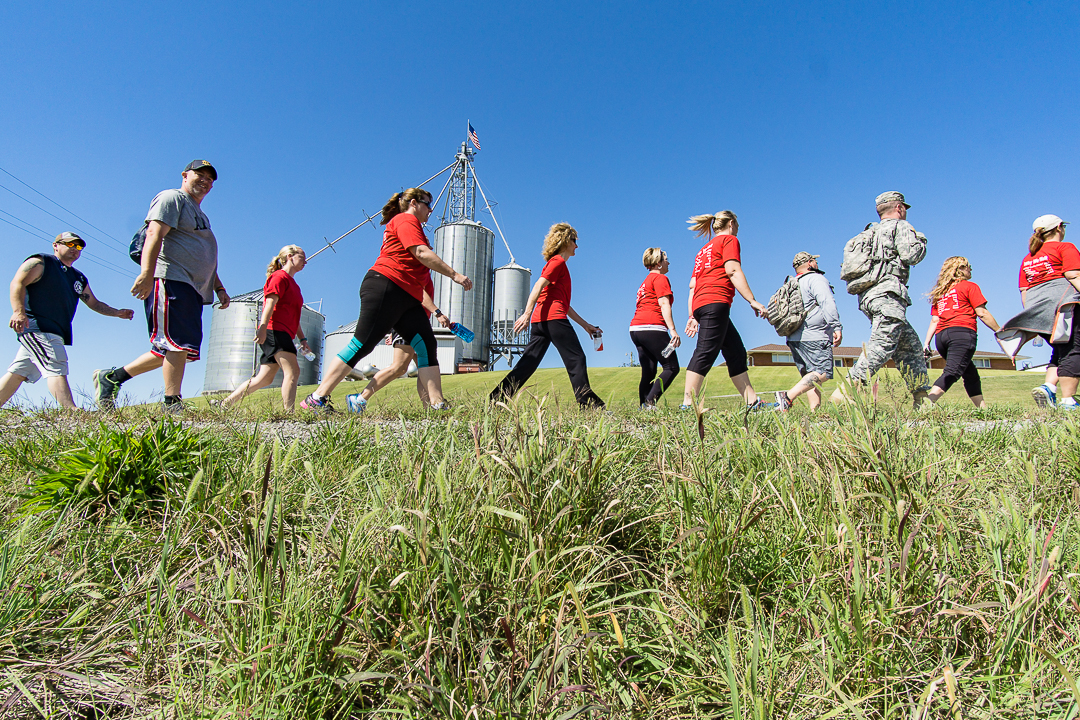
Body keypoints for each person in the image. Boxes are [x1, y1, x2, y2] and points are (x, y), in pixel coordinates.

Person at [301, 188, 471, 412]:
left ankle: (438, 405)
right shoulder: (404, 220)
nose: (431, 209)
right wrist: (455, 275)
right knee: (362, 344)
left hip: (407, 297)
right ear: (413, 203)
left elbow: (417, 281)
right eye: (428, 203)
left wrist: (437, 312)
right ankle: (317, 398)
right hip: (385, 286)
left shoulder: (416, 227)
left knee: (427, 345)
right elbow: (420, 252)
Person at [94, 160, 230, 412]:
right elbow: (155, 233)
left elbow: (205, 256)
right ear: (184, 175)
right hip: (171, 278)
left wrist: (219, 287)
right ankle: (172, 403)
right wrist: (147, 273)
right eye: (199, 175)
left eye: (210, 179)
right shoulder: (171, 198)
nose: (205, 181)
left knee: (171, 349)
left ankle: (112, 378)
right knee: (176, 344)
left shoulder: (201, 215)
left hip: (194, 288)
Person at [1, 233, 134, 409]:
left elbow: (93, 302)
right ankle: (71, 411)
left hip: (56, 329)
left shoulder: (78, 277)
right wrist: (18, 312)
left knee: (18, 372)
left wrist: (117, 313)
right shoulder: (41, 262)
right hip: (37, 326)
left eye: (79, 246)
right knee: (56, 363)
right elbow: (17, 283)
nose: (75, 249)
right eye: (70, 244)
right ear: (56, 245)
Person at [830, 191, 931, 408]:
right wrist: (920, 239)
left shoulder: (868, 233)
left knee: (910, 346)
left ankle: (922, 399)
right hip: (888, 294)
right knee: (882, 343)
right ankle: (846, 391)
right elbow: (912, 256)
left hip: (868, 295)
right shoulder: (900, 226)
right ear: (900, 208)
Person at [490, 223, 605, 408]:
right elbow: (537, 286)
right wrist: (526, 314)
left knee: (528, 364)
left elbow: (564, 304)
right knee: (576, 359)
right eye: (574, 241)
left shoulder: (558, 264)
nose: (577, 245)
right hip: (553, 319)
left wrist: (586, 325)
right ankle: (589, 404)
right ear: (566, 241)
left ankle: (496, 399)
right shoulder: (558, 262)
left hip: (541, 321)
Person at [680, 211, 772, 412]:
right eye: (737, 225)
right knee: (705, 351)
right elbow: (732, 271)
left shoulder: (703, 250)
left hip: (703, 303)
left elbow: (692, 286)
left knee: (736, 352)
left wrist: (691, 315)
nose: (738, 229)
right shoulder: (729, 240)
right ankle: (688, 405)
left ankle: (752, 402)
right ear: (731, 224)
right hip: (716, 301)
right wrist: (752, 300)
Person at [995, 215, 1080, 409]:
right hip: (1062, 307)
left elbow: (1024, 291)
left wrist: (1033, 317)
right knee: (1074, 349)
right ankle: (1068, 401)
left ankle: (1049, 387)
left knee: (1060, 351)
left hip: (1036, 311)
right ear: (1059, 228)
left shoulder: (1029, 258)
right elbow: (1073, 274)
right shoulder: (1065, 247)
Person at [220, 246, 313, 412]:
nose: (305, 261)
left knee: (264, 378)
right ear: (290, 256)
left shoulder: (294, 285)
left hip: (284, 332)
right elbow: (269, 303)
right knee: (293, 371)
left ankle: (225, 404)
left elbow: (294, 316)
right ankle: (288, 413)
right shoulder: (279, 277)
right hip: (275, 330)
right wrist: (262, 328)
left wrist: (303, 339)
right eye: (302, 257)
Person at [343, 276, 449, 413]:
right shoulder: (417, 268)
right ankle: (359, 399)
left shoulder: (423, 271)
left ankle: (429, 409)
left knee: (424, 367)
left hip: (416, 323)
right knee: (399, 367)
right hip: (411, 323)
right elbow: (417, 291)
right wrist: (437, 312)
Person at [921, 256, 1000, 408]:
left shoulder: (941, 293)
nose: (971, 269)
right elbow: (982, 313)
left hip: (942, 338)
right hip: (962, 333)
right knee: (952, 372)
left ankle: (983, 410)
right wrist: (999, 331)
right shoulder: (969, 286)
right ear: (959, 270)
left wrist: (926, 343)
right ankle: (926, 404)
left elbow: (935, 320)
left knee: (969, 372)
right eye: (968, 266)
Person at [776, 251, 842, 411]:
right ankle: (787, 397)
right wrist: (836, 326)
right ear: (810, 263)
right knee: (822, 372)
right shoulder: (816, 279)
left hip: (794, 337)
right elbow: (826, 302)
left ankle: (815, 413)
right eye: (815, 261)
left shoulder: (790, 284)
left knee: (811, 377)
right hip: (815, 335)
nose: (817, 264)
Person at [629, 248, 681, 408]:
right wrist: (672, 330)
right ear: (658, 263)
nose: (668, 262)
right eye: (666, 259)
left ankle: (642, 406)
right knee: (671, 367)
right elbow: (664, 304)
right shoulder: (660, 279)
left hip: (636, 330)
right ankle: (649, 404)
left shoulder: (644, 283)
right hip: (653, 329)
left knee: (649, 370)